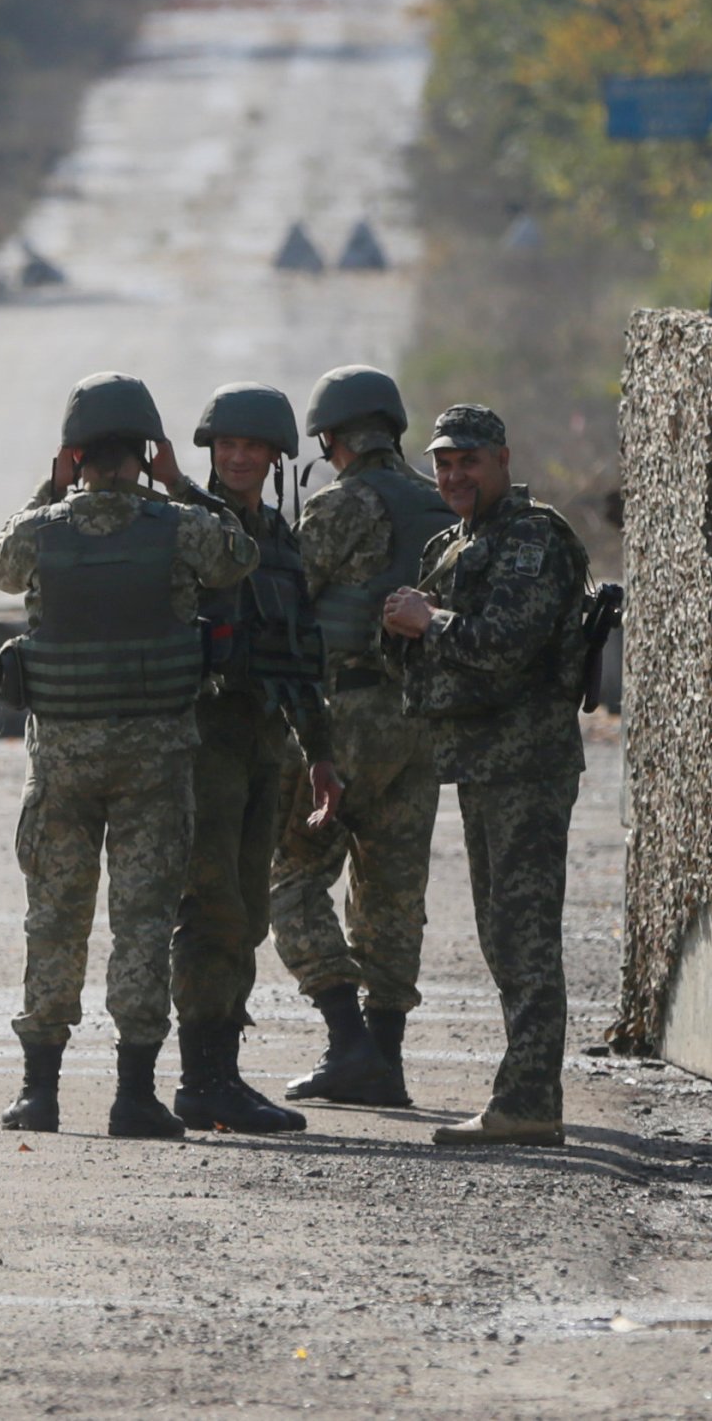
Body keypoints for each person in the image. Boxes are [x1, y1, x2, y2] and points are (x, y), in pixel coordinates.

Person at [0, 371, 257, 1139]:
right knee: (142, 922)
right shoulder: (178, 525)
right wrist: (182, 485)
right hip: (154, 764)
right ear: (145, 452)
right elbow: (240, 557)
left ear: (74, 455)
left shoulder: (43, 529)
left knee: (55, 918)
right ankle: (135, 1096)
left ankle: (39, 1094)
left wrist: (49, 487)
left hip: (64, 764)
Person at [380, 403, 590, 1148]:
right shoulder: (458, 540)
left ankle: (531, 1098)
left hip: (526, 765)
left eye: (468, 460)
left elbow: (504, 643)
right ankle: (523, 1093)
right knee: (503, 935)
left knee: (525, 936)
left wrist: (427, 621)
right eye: (442, 462)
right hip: (480, 762)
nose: (454, 474)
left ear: (502, 460)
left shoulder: (532, 538)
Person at [269, 365, 456, 1109]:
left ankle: (346, 1039)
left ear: (328, 437)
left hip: (347, 718)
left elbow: (291, 597)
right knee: (393, 890)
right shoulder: (442, 503)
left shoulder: (340, 505)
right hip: (423, 723)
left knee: (292, 873)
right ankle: (384, 1060)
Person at [165, 382, 322, 1135]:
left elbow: (302, 657)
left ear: (274, 456)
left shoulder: (281, 544)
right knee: (211, 910)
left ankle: (220, 1072)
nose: (236, 456)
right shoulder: (188, 526)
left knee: (249, 912)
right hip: (202, 742)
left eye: (250, 447)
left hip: (264, 741)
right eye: (225, 445)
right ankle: (202, 1079)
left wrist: (320, 753)